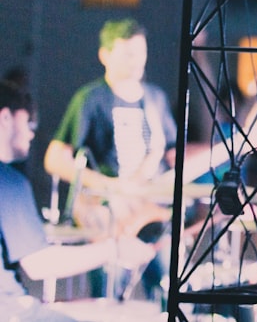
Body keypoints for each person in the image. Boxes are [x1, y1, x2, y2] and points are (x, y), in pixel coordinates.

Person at [44, 18, 177, 301]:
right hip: (108, 212)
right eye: (128, 53)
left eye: (141, 52)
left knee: (166, 283)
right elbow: (55, 158)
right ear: (105, 55)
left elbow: (171, 153)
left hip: (150, 210)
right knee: (109, 290)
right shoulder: (90, 99)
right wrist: (107, 185)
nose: (136, 61)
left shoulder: (156, 99)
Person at [0, 80, 154, 322]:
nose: (32, 132)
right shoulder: (8, 182)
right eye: (28, 121)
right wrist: (114, 249)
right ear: (5, 117)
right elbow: (39, 264)